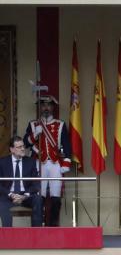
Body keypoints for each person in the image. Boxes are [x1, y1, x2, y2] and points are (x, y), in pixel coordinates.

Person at [23, 94, 71, 226]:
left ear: (52, 108)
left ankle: (53, 225)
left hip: (56, 163)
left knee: (56, 196)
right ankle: (39, 224)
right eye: (43, 105)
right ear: (40, 107)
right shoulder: (33, 125)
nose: (46, 108)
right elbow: (25, 143)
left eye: (48, 105)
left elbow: (66, 145)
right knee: (40, 195)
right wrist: (34, 134)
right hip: (39, 164)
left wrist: (66, 162)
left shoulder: (60, 124)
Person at [0, 136, 43, 227]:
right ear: (12, 149)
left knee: (38, 199)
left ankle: (37, 234)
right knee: (1, 203)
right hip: (8, 195)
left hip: (25, 195)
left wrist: (25, 195)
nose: (23, 149)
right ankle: (8, 236)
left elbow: (36, 183)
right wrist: (11, 194)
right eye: (19, 147)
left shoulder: (30, 162)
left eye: (23, 146)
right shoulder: (2, 162)